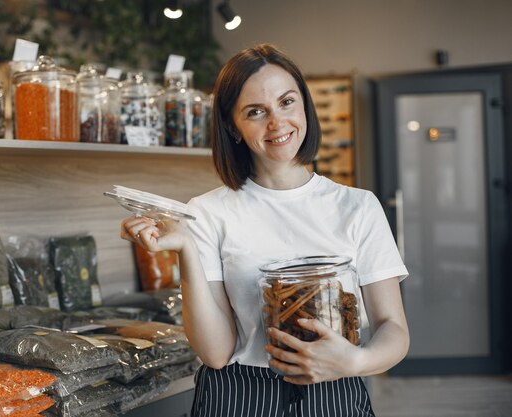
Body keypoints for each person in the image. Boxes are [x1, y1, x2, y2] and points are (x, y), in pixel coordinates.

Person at [120, 44, 409, 417]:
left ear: (304, 105)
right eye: (256, 112)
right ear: (232, 126)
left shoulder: (358, 207)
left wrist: (354, 362)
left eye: (287, 102)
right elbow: (216, 352)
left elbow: (394, 330)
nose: (277, 123)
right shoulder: (207, 212)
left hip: (336, 390)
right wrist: (185, 251)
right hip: (238, 397)